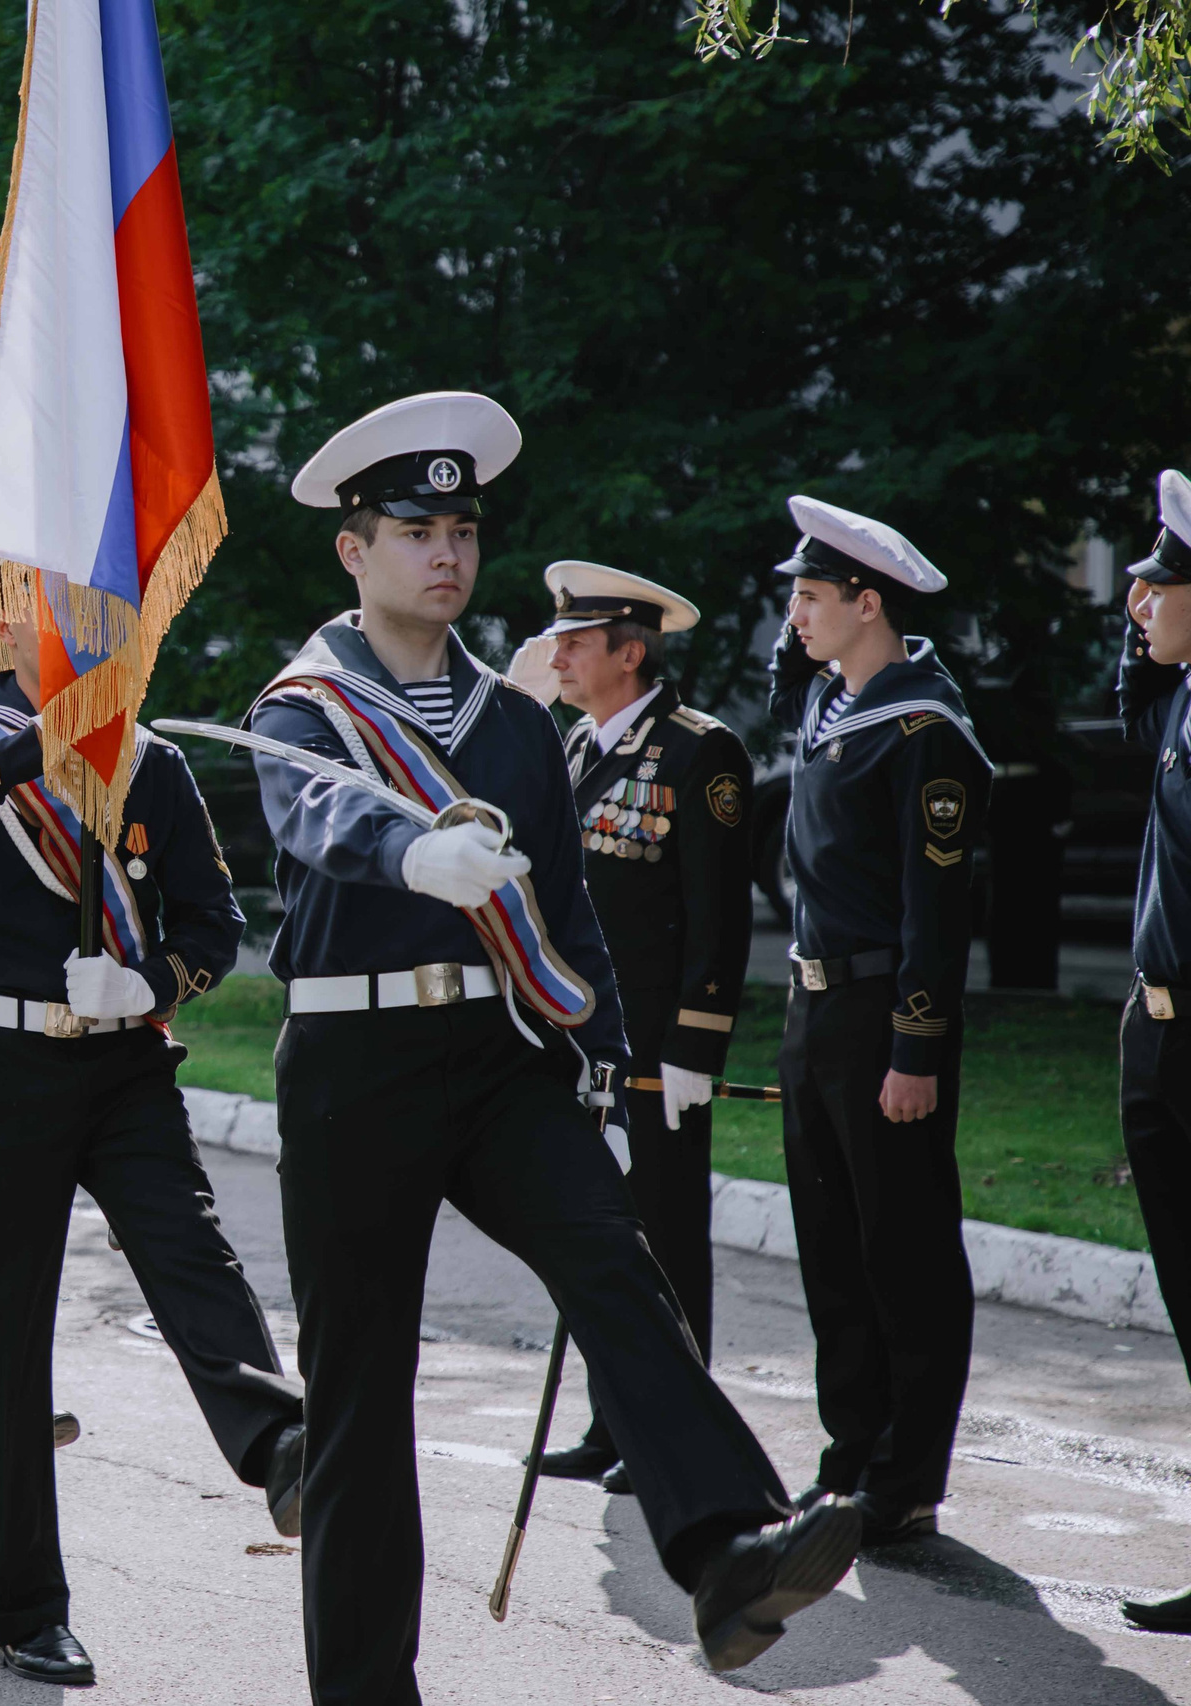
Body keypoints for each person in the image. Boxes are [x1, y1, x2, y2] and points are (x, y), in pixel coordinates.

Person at [250, 391, 858, 1702]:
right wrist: (409, 846)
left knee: (615, 1265)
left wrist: (608, 1058)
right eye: (415, 527)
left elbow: (571, 914)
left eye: (463, 526)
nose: (448, 552)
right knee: (360, 1391)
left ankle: (726, 1549)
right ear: (354, 549)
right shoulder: (305, 703)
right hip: (355, 1070)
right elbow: (305, 812)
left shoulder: (519, 723)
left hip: (500, 1061)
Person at [0, 618, 308, 1687]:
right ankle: (26, 1605)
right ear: (8, 630)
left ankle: (283, 1447)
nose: (81, 635)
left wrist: (153, 983)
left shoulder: (151, 761)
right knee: (4, 1332)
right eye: (56, 614)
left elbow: (212, 924)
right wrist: (46, 736)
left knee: (188, 1248)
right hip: (1, 1065)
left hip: (122, 1062)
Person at [765, 494, 991, 1548]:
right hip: (814, 1008)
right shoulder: (832, 706)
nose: (793, 618)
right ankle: (849, 1451)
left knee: (899, 1248)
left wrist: (916, 1047)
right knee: (831, 1249)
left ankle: (905, 1473)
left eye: (810, 598)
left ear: (866, 602)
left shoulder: (923, 731)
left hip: (875, 1010)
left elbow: (933, 914)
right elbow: (790, 694)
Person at [505, 563, 753, 1497]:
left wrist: (697, 1042)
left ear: (630, 652)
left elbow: (717, 916)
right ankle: (610, 1422)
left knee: (667, 1242)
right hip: (582, 1045)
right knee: (596, 1237)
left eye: (577, 640)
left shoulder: (700, 752)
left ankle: (674, 1437)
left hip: (656, 1052)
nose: (557, 654)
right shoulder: (574, 746)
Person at [1111, 470, 1191, 1634]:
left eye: (1158, 578)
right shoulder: (1179, 700)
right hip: (1160, 1031)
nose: (1133, 596)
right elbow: (1132, 709)